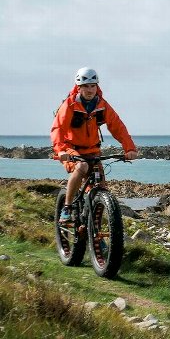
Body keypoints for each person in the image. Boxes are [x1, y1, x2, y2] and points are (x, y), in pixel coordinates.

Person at [50, 67, 139, 222]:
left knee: (101, 189)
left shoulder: (102, 105)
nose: (90, 89)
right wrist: (60, 150)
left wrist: (129, 148)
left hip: (93, 150)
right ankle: (67, 207)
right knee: (82, 167)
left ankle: (94, 232)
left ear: (97, 86)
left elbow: (118, 127)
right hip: (71, 149)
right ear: (79, 87)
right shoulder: (70, 105)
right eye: (86, 86)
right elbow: (58, 128)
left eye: (93, 85)